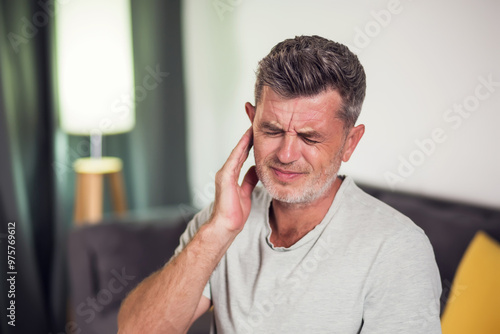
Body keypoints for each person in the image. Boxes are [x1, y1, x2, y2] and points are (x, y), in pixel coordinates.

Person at [118, 35, 442, 334]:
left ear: (350, 142)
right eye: (272, 130)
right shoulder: (221, 222)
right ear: (251, 122)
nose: (286, 155)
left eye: (309, 137)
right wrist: (218, 231)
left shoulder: (398, 249)